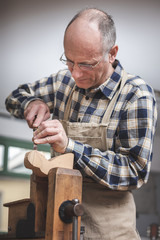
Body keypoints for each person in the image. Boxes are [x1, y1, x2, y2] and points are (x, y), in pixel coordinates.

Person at [5, 8, 157, 240]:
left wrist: (70, 147)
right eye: (69, 61)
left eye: (86, 64)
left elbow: (134, 172)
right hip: (57, 229)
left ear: (112, 53)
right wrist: (31, 103)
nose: (75, 74)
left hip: (110, 233)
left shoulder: (136, 95)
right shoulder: (62, 82)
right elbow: (14, 97)